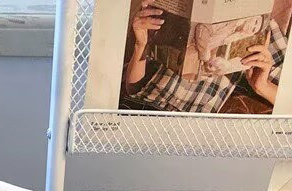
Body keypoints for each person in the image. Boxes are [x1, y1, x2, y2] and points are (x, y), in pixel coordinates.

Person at [123, 1, 287, 113]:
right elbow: (134, 89)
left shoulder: (262, 25)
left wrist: (263, 86)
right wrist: (140, 45)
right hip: (160, 115)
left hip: (207, 127)